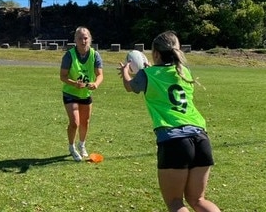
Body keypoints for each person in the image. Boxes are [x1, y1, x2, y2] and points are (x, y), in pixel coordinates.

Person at [118, 31, 221, 211]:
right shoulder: (184, 72)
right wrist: (150, 69)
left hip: (175, 140)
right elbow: (164, 78)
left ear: (156, 54)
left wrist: (126, 72)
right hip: (201, 138)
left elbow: (129, 86)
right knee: (198, 200)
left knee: (175, 203)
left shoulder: (147, 74)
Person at [60, 26, 104, 161]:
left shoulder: (94, 54)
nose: (83, 41)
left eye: (85, 38)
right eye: (80, 38)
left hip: (85, 94)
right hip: (70, 93)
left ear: (90, 39)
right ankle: (71, 147)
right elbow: (63, 76)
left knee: (85, 122)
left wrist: (96, 83)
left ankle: (82, 145)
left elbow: (100, 74)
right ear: (75, 40)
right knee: (75, 122)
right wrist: (74, 83)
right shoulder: (69, 55)